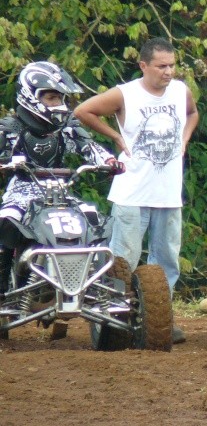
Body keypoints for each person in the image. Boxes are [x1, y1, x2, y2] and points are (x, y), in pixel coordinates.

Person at [73, 37, 199, 344]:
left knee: (166, 259)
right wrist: (115, 136)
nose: (168, 72)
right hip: (131, 194)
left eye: (172, 65)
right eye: (161, 66)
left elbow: (193, 114)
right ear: (143, 65)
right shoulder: (125, 94)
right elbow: (83, 111)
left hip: (168, 195)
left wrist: (183, 140)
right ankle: (116, 321)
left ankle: (159, 321)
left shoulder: (181, 91)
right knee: (123, 261)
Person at [0, 62, 123, 336]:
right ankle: (4, 292)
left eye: (61, 98)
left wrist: (109, 160)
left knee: (94, 218)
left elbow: (89, 147)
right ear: (32, 95)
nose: (59, 104)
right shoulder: (10, 127)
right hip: (22, 191)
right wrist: (7, 162)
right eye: (52, 97)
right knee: (7, 221)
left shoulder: (67, 126)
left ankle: (99, 290)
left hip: (61, 190)